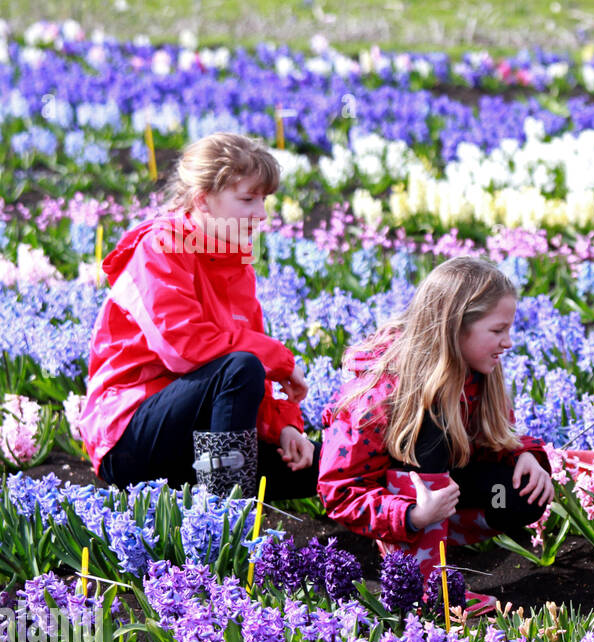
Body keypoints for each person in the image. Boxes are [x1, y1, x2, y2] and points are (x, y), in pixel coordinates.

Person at [80, 132, 318, 500]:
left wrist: (283, 427)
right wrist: (281, 361)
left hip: (192, 435)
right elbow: (186, 348)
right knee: (241, 368)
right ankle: (221, 517)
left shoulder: (234, 259)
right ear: (203, 200)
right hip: (127, 437)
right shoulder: (159, 249)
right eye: (248, 199)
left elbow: (243, 361)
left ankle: (222, 494)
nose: (261, 213)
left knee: (314, 470)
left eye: (264, 199)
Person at [318, 257, 553, 614]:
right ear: (456, 327)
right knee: (433, 423)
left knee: (518, 495)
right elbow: (338, 490)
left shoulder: (476, 372)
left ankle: (434, 536)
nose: (508, 342)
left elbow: (495, 438)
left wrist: (525, 456)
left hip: (443, 493)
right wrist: (410, 516)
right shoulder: (381, 394)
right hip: (400, 498)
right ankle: (426, 589)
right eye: (497, 330)